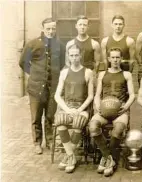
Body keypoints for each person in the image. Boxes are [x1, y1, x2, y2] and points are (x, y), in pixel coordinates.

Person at [19, 18, 65, 154]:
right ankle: (37, 143)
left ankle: (50, 141)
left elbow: (62, 64)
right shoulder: (33, 44)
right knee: (36, 117)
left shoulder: (60, 46)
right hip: (36, 88)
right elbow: (23, 63)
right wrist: (34, 74)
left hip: (53, 88)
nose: (51, 31)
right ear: (43, 28)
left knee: (50, 115)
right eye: (48, 29)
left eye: (53, 29)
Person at [89, 47, 135, 177]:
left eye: (117, 57)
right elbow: (97, 94)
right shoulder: (102, 74)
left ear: (121, 59)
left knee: (119, 129)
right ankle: (108, 157)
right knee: (93, 127)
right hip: (104, 109)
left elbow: (132, 95)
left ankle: (108, 159)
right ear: (108, 59)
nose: (115, 60)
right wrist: (97, 105)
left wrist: (125, 107)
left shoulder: (127, 74)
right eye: (113, 57)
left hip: (120, 111)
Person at [54, 44, 94, 173]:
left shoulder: (88, 72)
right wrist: (66, 109)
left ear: (80, 56)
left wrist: (80, 109)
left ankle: (68, 156)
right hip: (67, 107)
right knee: (60, 122)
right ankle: (71, 156)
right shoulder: (64, 72)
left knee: (78, 123)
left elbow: (91, 96)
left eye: (76, 55)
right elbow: (57, 95)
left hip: (82, 108)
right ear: (68, 57)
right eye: (71, 55)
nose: (74, 58)